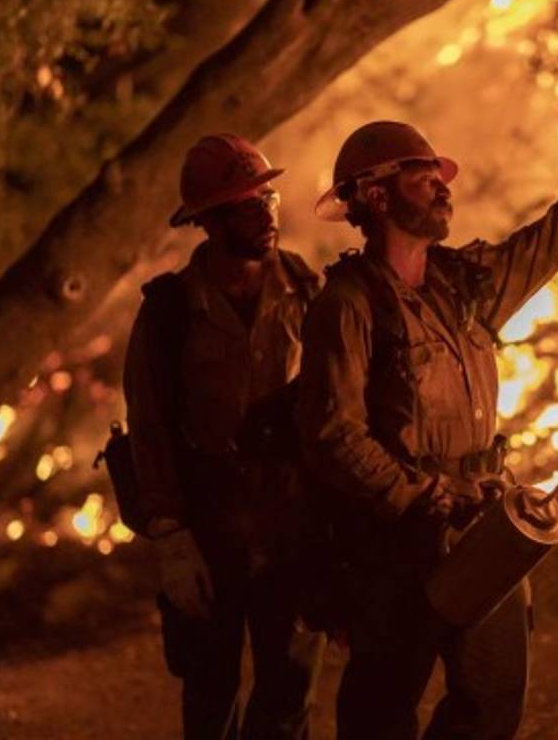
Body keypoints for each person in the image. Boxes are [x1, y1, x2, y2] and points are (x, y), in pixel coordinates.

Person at [296, 120, 558, 739]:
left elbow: (534, 254)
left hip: (482, 529)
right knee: (380, 712)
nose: (441, 188)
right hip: (394, 543)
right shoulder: (348, 306)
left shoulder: (459, 283)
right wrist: (416, 495)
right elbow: (333, 432)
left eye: (440, 177)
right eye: (422, 176)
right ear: (377, 197)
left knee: (491, 702)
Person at [124, 133, 325, 739]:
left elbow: (333, 410)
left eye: (268, 197)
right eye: (245, 204)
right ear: (208, 220)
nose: (265, 213)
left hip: (290, 520)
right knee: (210, 693)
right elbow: (149, 430)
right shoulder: (169, 310)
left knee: (288, 695)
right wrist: (172, 539)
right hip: (209, 524)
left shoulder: (307, 291)